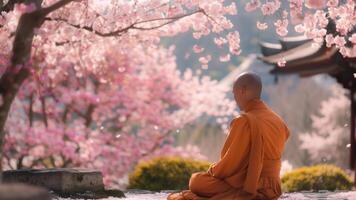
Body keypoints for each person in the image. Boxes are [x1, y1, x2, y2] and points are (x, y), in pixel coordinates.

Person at [167, 72, 290, 200]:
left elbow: (230, 164)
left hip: (250, 184)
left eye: (234, 92)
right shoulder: (279, 121)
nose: (234, 97)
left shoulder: (244, 121)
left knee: (196, 181)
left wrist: (212, 171)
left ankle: (248, 195)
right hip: (273, 187)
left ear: (242, 90)